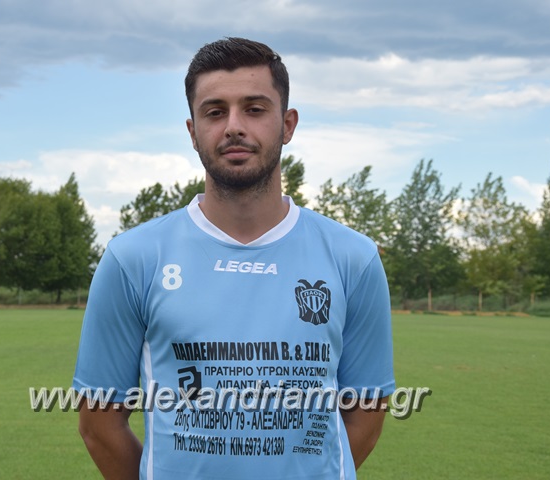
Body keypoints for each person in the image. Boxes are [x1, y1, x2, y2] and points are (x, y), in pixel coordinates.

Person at [73, 37, 395, 480]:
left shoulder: (353, 257)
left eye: (255, 109)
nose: (234, 127)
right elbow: (99, 425)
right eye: (215, 112)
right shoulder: (133, 258)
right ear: (193, 132)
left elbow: (366, 416)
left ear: (287, 125)